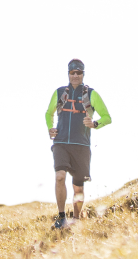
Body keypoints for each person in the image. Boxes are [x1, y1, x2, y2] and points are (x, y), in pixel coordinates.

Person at [45, 59, 112, 229]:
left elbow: (107, 118)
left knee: (78, 188)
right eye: (72, 73)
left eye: (79, 73)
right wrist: (50, 128)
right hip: (60, 143)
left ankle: (76, 219)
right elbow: (48, 113)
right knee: (60, 177)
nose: (75, 75)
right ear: (68, 74)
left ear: (83, 74)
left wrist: (95, 124)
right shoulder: (60, 92)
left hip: (81, 145)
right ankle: (61, 218)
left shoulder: (91, 94)